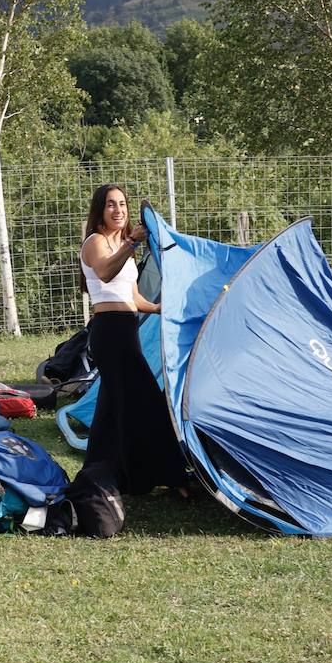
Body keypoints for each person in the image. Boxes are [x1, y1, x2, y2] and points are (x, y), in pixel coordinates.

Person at [78, 183, 188, 495]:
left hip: (128, 328)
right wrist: (130, 243)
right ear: (100, 210)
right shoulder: (95, 242)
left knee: (113, 408)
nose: (119, 210)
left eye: (123, 204)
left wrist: (156, 308)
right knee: (147, 401)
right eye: (111, 205)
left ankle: (107, 475)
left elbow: (133, 296)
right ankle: (169, 475)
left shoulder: (122, 248)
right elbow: (104, 275)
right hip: (109, 332)